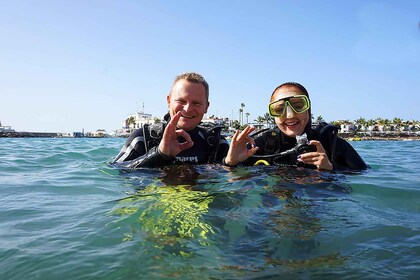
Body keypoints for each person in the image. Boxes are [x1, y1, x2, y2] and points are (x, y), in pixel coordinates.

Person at [224, 82, 368, 170]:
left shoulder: (331, 143)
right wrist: (230, 162)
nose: (290, 115)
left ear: (308, 109)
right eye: (279, 109)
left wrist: (330, 169)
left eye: (298, 106)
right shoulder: (261, 144)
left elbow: (365, 174)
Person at [112, 72, 229, 168]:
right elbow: (116, 170)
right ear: (169, 101)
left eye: (196, 103)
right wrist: (159, 154)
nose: (187, 109)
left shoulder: (216, 142)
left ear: (206, 107)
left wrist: (232, 163)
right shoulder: (143, 138)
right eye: (181, 101)